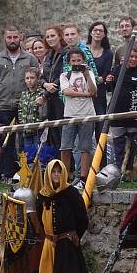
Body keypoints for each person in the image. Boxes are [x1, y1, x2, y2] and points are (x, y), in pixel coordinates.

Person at [37, 159, 88, 273]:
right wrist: (49, 237)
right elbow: (38, 217)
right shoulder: (43, 195)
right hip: (51, 242)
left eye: (59, 172)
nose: (56, 175)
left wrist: (73, 236)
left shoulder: (71, 193)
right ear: (49, 174)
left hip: (67, 243)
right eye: (54, 172)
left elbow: (83, 219)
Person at [0, 25, 39, 177]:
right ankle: (8, 173)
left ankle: (25, 172)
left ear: (20, 37)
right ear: (4, 38)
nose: (12, 40)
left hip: (25, 105)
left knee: (25, 140)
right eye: (9, 37)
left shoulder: (30, 59)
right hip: (3, 105)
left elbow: (38, 81)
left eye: (15, 37)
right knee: (7, 142)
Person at [105, 45, 137, 170]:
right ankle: (119, 170)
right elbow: (109, 89)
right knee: (119, 143)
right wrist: (108, 81)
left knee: (134, 143)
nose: (133, 59)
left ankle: (131, 170)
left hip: (134, 113)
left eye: (136, 57)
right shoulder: (117, 70)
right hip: (117, 112)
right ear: (125, 58)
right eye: (131, 57)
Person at [59, 48, 97, 182]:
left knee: (85, 147)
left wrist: (86, 75)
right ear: (69, 62)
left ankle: (83, 177)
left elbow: (93, 90)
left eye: (79, 60)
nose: (76, 63)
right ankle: (64, 177)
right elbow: (66, 92)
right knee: (65, 147)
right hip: (69, 114)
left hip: (87, 114)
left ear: (83, 61)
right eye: (73, 61)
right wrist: (86, 94)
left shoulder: (90, 74)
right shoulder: (65, 75)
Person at [41, 24, 66, 157]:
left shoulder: (65, 52)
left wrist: (48, 90)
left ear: (59, 36)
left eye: (53, 36)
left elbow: (62, 75)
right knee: (53, 132)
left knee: (63, 132)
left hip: (61, 98)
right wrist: (45, 85)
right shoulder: (49, 54)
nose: (50, 39)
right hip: (50, 99)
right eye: (48, 37)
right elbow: (42, 76)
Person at [17, 67, 49, 165]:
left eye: (32, 78)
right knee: (28, 153)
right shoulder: (24, 94)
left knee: (39, 153)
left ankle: (40, 172)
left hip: (38, 130)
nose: (29, 81)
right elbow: (20, 110)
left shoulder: (42, 94)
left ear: (38, 79)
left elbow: (45, 112)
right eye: (27, 78)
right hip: (26, 129)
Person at [87, 21, 114, 134]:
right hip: (84, 94)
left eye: (101, 31)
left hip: (99, 94)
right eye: (95, 30)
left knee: (100, 126)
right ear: (91, 33)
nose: (98, 33)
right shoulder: (84, 50)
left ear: (104, 34)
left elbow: (105, 74)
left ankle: (101, 151)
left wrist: (96, 80)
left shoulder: (108, 53)